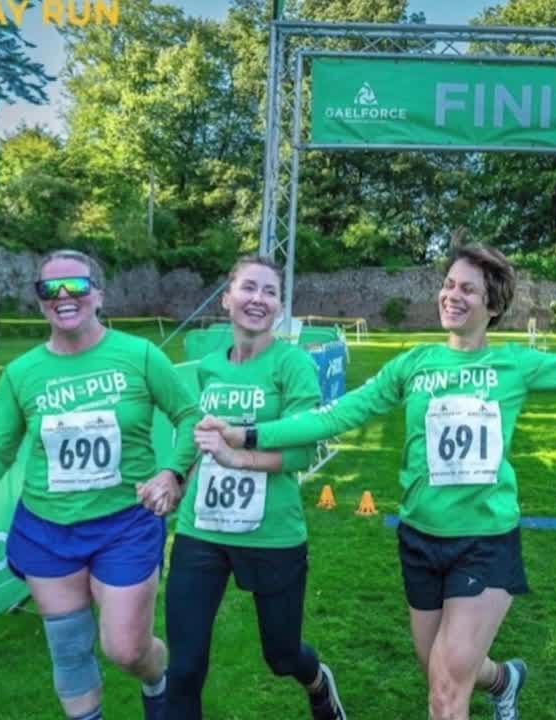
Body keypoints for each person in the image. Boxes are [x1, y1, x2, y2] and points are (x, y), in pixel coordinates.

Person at [196, 245, 556, 720]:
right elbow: (334, 417)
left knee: (446, 695)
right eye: (449, 284)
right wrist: (249, 433)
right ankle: (505, 678)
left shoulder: (515, 365)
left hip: (485, 542)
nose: (452, 295)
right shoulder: (414, 365)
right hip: (421, 537)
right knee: (442, 669)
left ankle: (488, 682)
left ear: (492, 305)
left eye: (466, 288)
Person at [0, 249, 200, 720]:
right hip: (47, 528)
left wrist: (173, 472)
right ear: (39, 302)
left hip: (124, 524)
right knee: (70, 652)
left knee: (125, 649)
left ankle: (158, 683)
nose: (62, 297)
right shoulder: (21, 373)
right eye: (48, 289)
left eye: (75, 286)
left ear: (98, 293)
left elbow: (189, 415)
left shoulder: (138, 355)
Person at [165, 255, 346, 720]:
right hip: (201, 529)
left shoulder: (292, 365)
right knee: (183, 668)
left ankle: (318, 680)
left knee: (282, 656)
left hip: (272, 533)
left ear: (280, 308)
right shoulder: (207, 367)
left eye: (269, 292)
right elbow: (195, 430)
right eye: (248, 288)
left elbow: (306, 449)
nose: (257, 299)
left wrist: (237, 456)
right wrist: (174, 474)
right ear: (227, 299)